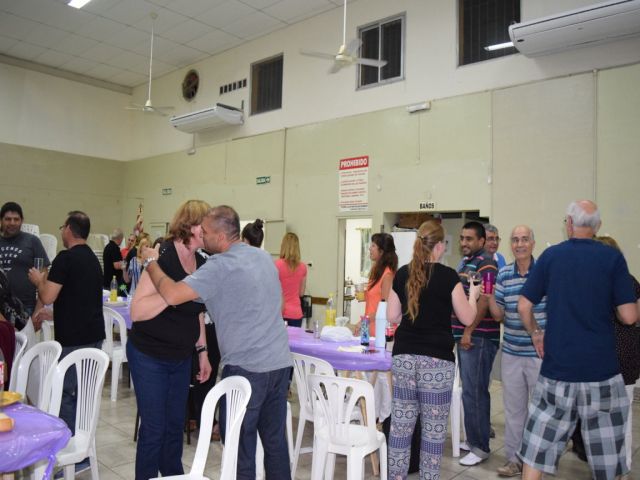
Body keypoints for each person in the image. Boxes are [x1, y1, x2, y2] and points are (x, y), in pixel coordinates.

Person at [139, 205, 292, 480]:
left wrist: (151, 264)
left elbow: (173, 295)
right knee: (275, 445)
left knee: (239, 448)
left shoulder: (219, 267)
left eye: (206, 232)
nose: (202, 236)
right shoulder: (262, 257)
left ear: (221, 237)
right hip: (279, 365)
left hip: (247, 370)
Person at [517, 200, 637, 480]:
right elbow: (629, 316)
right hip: (602, 374)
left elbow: (524, 305)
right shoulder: (612, 259)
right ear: (598, 227)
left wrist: (537, 333)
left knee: (537, 451)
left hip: (557, 372)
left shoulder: (551, 256)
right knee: (608, 459)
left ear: (569, 223)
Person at [386, 220, 480, 480]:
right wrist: (473, 294)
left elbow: (392, 316)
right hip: (436, 364)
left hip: (404, 358)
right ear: (439, 246)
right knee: (433, 433)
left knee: (401, 428)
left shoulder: (403, 274)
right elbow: (467, 318)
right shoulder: (448, 276)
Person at [128, 200, 212, 480]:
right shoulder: (163, 255)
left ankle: (173, 475)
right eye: (205, 224)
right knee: (154, 428)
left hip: (181, 356)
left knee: (175, 425)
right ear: (190, 226)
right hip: (149, 354)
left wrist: (202, 353)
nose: (209, 230)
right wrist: (174, 293)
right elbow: (137, 312)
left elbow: (197, 313)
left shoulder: (201, 262)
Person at [28, 211, 105, 473]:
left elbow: (48, 295)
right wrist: (57, 312)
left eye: (62, 227)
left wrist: (39, 281)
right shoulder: (94, 260)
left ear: (69, 230)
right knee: (84, 396)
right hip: (94, 338)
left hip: (73, 342)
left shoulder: (65, 258)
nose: (61, 231)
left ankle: (70, 455)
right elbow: (79, 296)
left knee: (67, 396)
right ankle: (83, 451)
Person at [486, 225, 546, 478]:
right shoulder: (504, 274)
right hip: (511, 351)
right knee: (513, 410)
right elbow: (499, 314)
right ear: (510, 245)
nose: (519, 244)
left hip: (539, 355)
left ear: (533, 243)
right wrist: (488, 295)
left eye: (524, 239)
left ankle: (538, 462)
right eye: (515, 240)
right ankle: (514, 460)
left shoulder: (545, 273)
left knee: (541, 411)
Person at [452, 221, 499, 466]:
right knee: (469, 391)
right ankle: (473, 440)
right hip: (468, 337)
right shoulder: (469, 263)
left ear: (481, 241)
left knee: (476, 392)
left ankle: (480, 447)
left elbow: (483, 301)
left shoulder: (486, 264)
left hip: (479, 337)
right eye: (462, 238)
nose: (464, 243)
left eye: (469, 239)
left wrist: (468, 331)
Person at [0, 201, 50, 325]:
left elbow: (43, 277)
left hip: (26, 307)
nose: (12, 223)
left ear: (22, 221)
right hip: (0, 309)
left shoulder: (32, 242)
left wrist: (38, 310)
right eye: (8, 219)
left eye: (16, 219)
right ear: (1, 220)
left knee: (26, 344)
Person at [362, 232, 398, 335]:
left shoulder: (388, 276)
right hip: (369, 328)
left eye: (373, 246)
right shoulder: (375, 271)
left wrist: (364, 321)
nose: (370, 248)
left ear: (381, 251)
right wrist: (364, 295)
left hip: (381, 332)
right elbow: (376, 297)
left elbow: (385, 308)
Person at [275, 232, 307, 328]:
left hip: (280, 312)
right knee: (294, 343)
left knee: (280, 343)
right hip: (296, 313)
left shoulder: (276, 265)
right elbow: (301, 293)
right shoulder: (303, 267)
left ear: (283, 246)